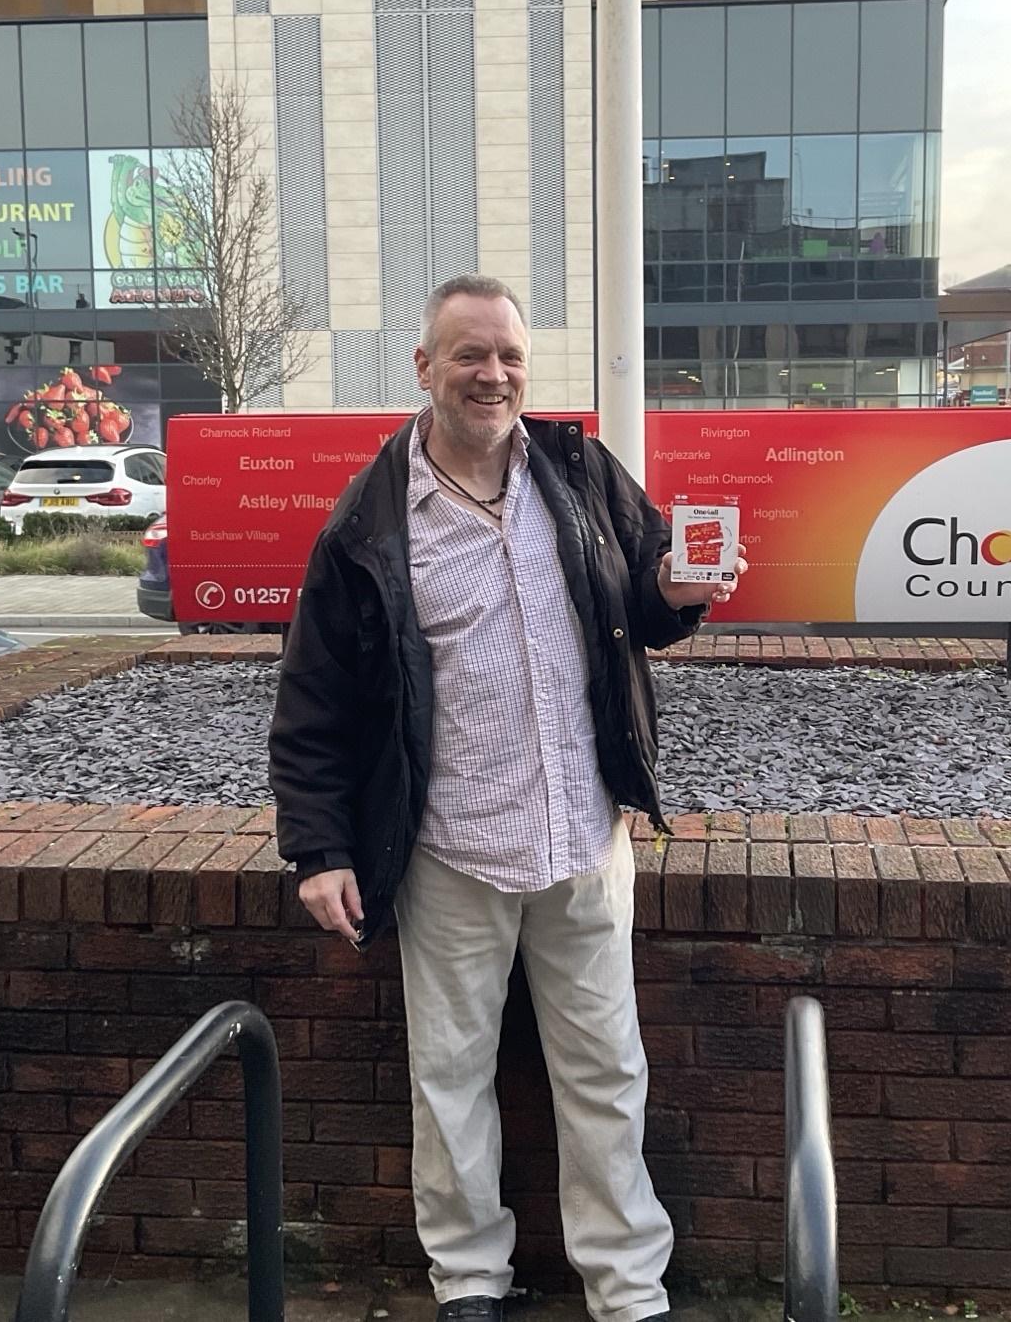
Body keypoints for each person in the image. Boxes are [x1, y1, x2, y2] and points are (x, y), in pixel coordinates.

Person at [268, 274, 745, 1322]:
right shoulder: (367, 521)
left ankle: (626, 1288)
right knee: (447, 1079)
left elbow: (642, 603)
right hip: (448, 848)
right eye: (469, 354)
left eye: (509, 357)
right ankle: (470, 1280)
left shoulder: (577, 473)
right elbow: (315, 699)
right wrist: (318, 847)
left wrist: (676, 594)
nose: (492, 374)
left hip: (582, 833)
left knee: (607, 1075)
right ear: (425, 367)